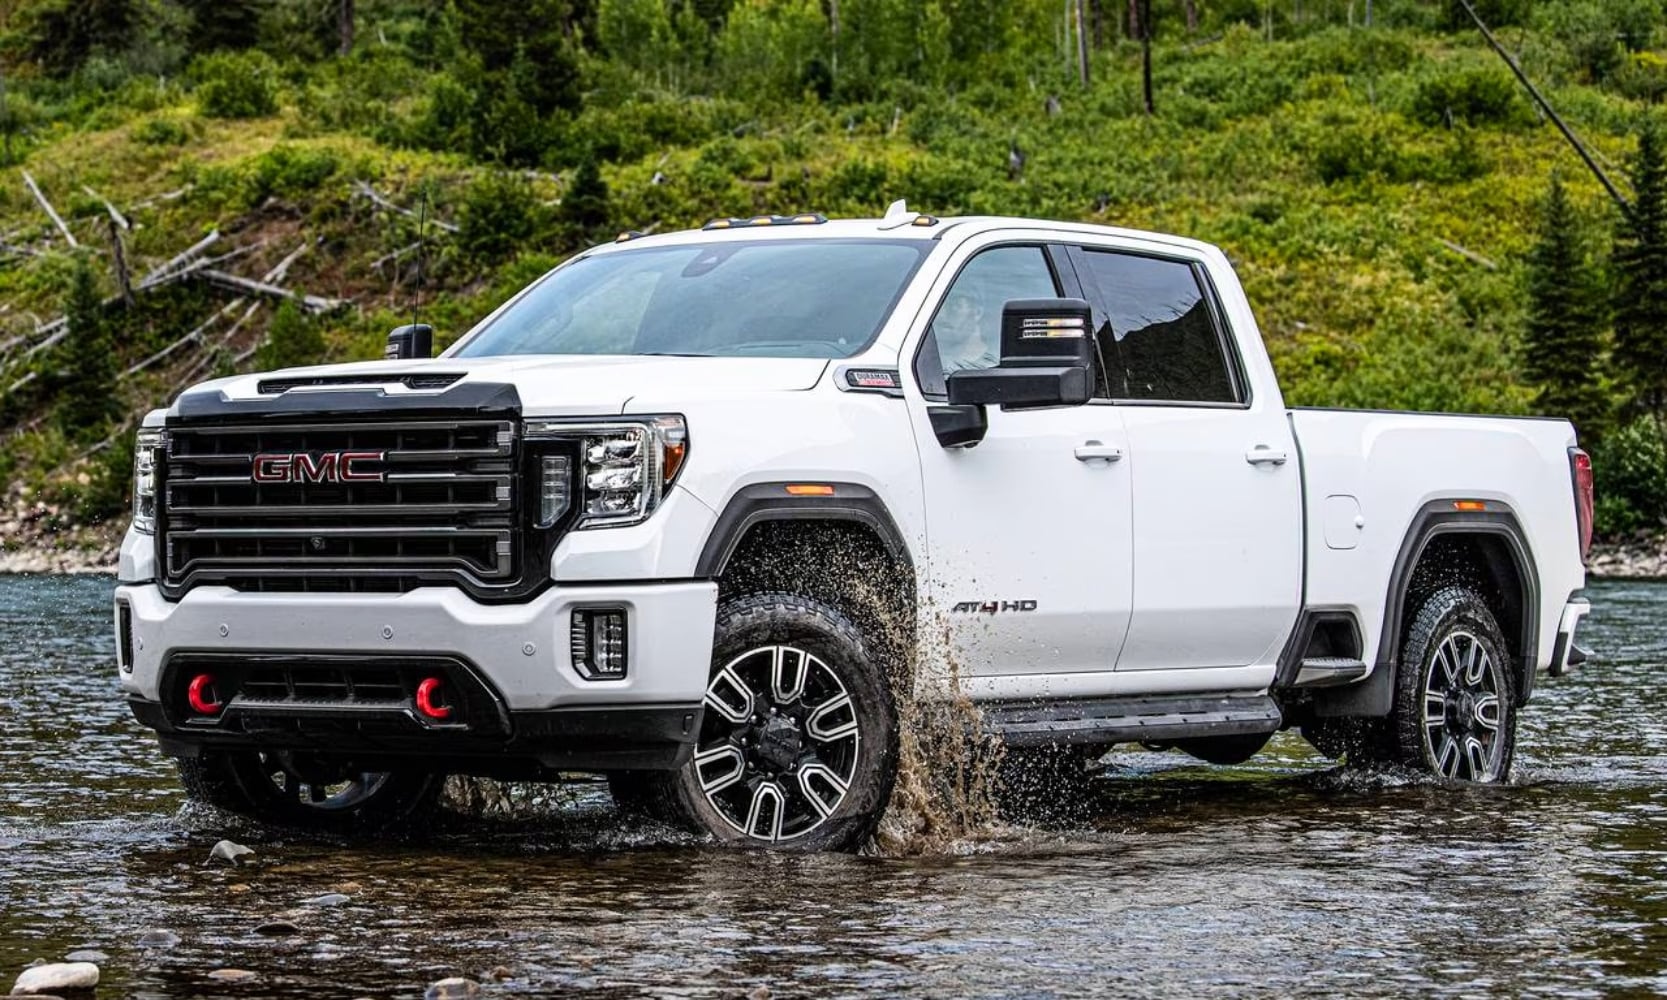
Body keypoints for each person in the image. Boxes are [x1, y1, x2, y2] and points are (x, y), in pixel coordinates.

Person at [934, 289, 999, 372]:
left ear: (978, 312)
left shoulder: (993, 366)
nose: (940, 315)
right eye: (937, 308)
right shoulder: (925, 361)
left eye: (953, 305)